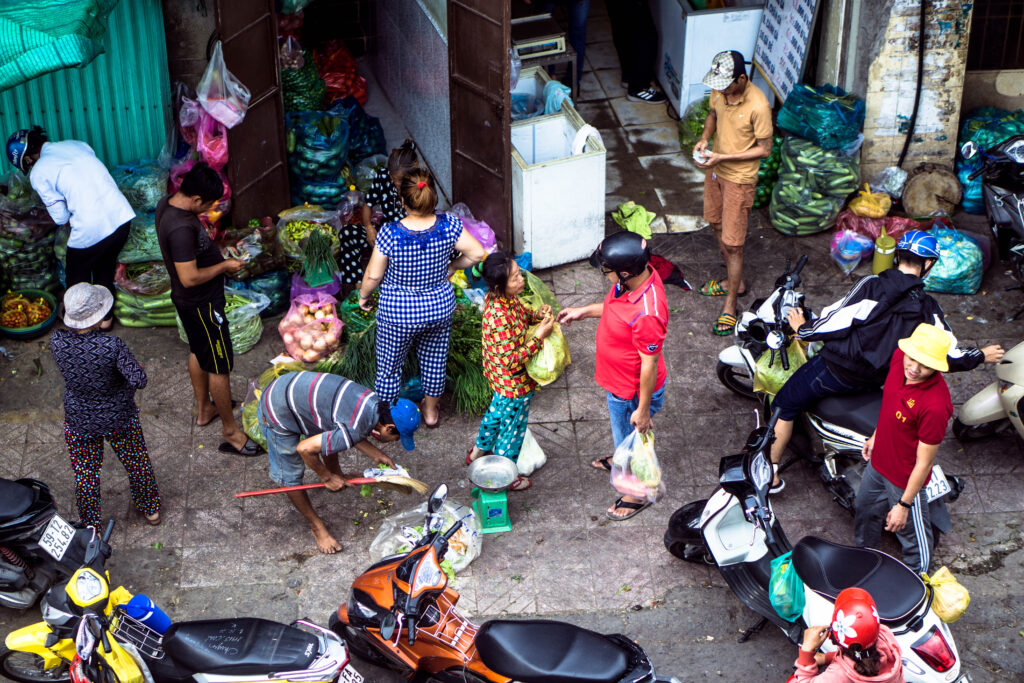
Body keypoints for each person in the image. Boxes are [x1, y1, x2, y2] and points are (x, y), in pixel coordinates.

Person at [767, 230, 1003, 492]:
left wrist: (803, 329)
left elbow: (836, 321)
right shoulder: (928, 308)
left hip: (834, 371)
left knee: (785, 404)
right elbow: (949, 353)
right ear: (929, 264)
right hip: (875, 380)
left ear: (897, 256)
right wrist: (981, 354)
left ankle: (771, 473)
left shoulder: (871, 285)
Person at [358, 168, 486, 428]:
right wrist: (451, 268)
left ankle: (387, 421)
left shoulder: (390, 232)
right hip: (438, 308)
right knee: (435, 361)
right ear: (432, 199)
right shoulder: (449, 224)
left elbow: (372, 275)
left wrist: (364, 295)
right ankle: (429, 413)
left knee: (390, 367)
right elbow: (477, 253)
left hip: (398, 313)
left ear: (402, 201)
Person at [556, 231, 668, 520]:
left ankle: (637, 492)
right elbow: (615, 310)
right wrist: (584, 311)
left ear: (625, 272)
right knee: (624, 434)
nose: (604, 275)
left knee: (636, 438)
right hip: (618, 383)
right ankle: (622, 454)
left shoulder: (648, 314)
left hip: (631, 391)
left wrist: (642, 412)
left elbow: (649, 364)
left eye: (606, 270)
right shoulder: (633, 282)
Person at [257, 371, 420, 553]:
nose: (396, 442)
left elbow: (343, 426)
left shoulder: (372, 401)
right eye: (397, 438)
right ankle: (316, 526)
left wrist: (375, 453)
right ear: (389, 428)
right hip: (275, 409)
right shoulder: (353, 430)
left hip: (289, 387)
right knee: (290, 476)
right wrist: (326, 477)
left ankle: (337, 474)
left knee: (332, 437)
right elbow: (304, 448)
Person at [155, 162, 255, 456]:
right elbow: (189, 277)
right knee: (219, 366)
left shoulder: (168, 204)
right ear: (196, 199)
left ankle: (205, 410)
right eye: (209, 204)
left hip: (189, 305)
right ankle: (231, 431)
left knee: (198, 351)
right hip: (202, 305)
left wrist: (217, 253)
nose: (211, 208)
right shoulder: (181, 228)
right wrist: (224, 265)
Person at [50, 284, 161, 528]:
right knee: (136, 462)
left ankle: (91, 527)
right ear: (99, 315)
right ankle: (150, 509)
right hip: (118, 416)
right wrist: (123, 387)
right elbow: (139, 380)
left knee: (86, 475)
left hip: (79, 418)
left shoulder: (57, 340)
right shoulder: (112, 346)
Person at [7, 126, 134, 329]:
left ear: (29, 159)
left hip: (91, 227)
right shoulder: (76, 144)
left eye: (28, 165)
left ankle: (82, 327)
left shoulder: (38, 172)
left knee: (76, 275)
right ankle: (105, 320)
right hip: (122, 217)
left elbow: (60, 217)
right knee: (105, 266)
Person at [854, 324, 955, 575]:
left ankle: (918, 579)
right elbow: (890, 401)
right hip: (878, 463)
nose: (914, 368)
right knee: (864, 510)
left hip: (904, 479)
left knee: (912, 535)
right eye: (913, 358)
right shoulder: (900, 358)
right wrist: (876, 436)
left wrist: (903, 505)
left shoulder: (934, 405)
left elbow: (923, 463)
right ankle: (866, 557)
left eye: (925, 364)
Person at [692, 50, 773, 335]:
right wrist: (704, 139)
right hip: (714, 170)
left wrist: (723, 158)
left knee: (734, 243)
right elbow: (713, 114)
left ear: (741, 78)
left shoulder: (758, 105)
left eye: (727, 84)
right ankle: (734, 282)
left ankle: (731, 304)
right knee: (715, 222)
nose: (722, 89)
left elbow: (765, 148)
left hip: (739, 178)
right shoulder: (719, 89)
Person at [467, 252, 555, 490]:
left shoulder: (503, 299)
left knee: (495, 415)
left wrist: (536, 316)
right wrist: (539, 337)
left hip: (499, 381)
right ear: (499, 285)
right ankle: (507, 475)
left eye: (519, 274)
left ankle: (477, 452)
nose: (521, 280)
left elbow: (521, 314)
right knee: (512, 432)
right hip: (513, 385)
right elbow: (512, 360)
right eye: (515, 277)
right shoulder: (499, 317)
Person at [794, 587, 904, 682]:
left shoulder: (838, 675)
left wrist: (806, 651)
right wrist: (828, 658)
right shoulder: (885, 635)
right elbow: (861, 653)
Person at [363, 139, 420, 230]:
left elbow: (422, 224)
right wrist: (369, 227)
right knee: (347, 233)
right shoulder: (384, 176)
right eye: (393, 178)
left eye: (401, 180)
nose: (396, 183)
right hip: (388, 231)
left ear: (412, 176)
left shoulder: (420, 186)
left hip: (410, 235)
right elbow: (368, 203)